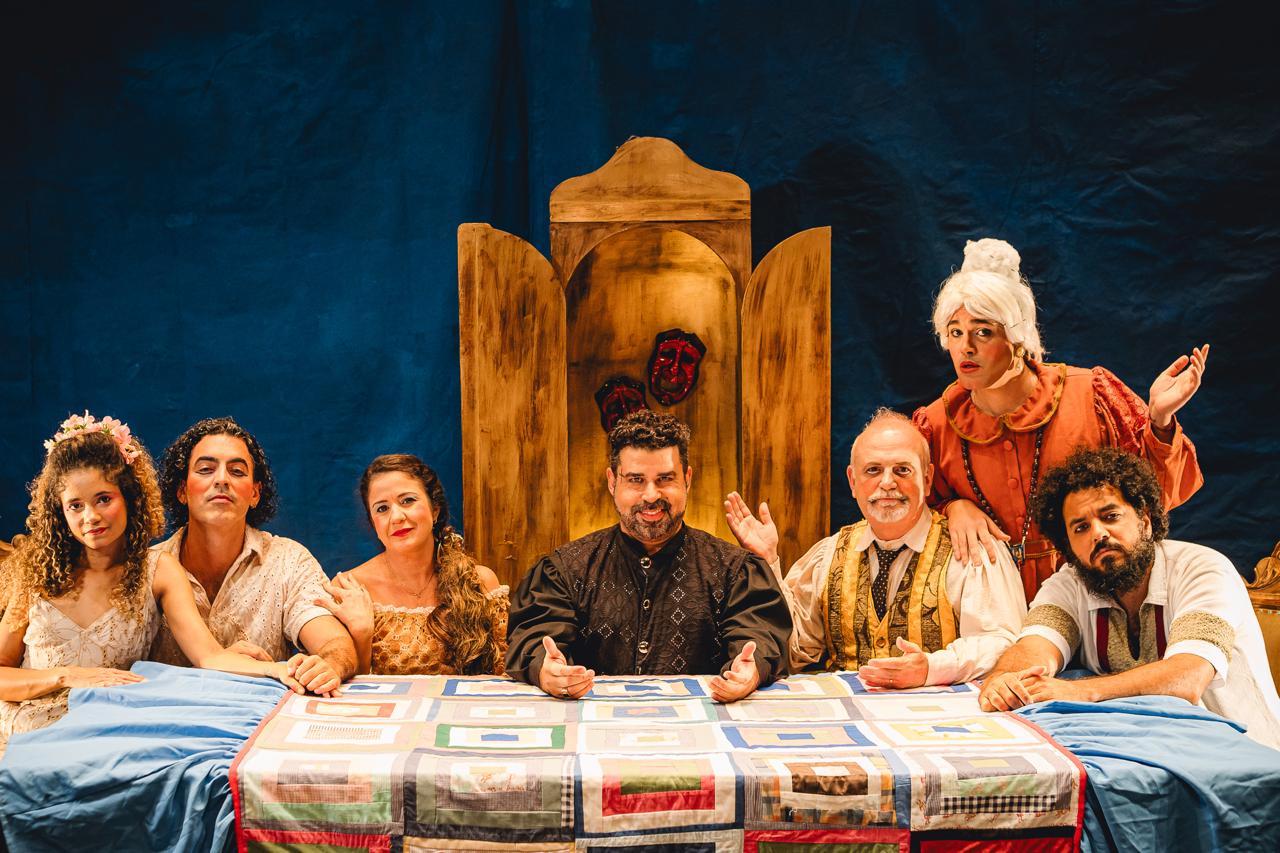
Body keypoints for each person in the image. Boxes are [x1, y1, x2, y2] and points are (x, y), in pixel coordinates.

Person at [912, 237, 1208, 602]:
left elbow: (1154, 498)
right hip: (987, 604)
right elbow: (906, 515)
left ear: (1017, 336)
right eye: (955, 332)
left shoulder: (1091, 396)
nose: (965, 347)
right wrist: (953, 508)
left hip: (1095, 593)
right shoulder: (936, 424)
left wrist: (1160, 419)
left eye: (983, 331)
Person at [0, 413, 303, 754]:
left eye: (104, 499)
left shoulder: (157, 570)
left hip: (103, 737)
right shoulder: (35, 573)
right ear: (60, 512)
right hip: (19, 735)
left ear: (130, 498)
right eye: (75, 506)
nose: (91, 517)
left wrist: (280, 669)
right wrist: (64, 676)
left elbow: (209, 657)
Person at [978, 447, 1280, 750]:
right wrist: (1006, 679)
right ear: (1067, 545)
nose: (1098, 534)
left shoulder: (1202, 570)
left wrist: (1079, 691)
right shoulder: (1069, 584)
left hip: (1242, 755)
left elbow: (1188, 678)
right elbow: (1034, 647)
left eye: (1111, 516)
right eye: (1081, 527)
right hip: (1142, 752)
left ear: (1145, 521)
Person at [726, 409, 1026, 687]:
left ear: (927, 478)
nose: (887, 483)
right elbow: (796, 647)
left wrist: (933, 668)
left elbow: (1002, 643)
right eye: (873, 470)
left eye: (902, 470)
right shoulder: (829, 554)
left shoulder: (971, 547)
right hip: (848, 717)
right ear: (852, 481)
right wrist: (768, 562)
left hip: (944, 721)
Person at [506, 411, 791, 702]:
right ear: (612, 482)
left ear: (687, 479)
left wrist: (749, 671)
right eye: (636, 480)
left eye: (665, 479)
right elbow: (536, 637)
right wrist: (547, 669)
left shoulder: (733, 570)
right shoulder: (566, 569)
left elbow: (759, 636)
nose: (651, 495)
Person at [149, 417, 355, 693]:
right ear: (182, 491)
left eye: (237, 471)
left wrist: (328, 666)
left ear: (255, 493)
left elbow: (335, 643)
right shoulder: (147, 568)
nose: (221, 480)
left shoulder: (288, 561)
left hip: (263, 716)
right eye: (206, 469)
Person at [315, 455, 507, 675]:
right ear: (374, 524)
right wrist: (362, 634)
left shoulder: (479, 582)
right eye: (382, 509)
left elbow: (501, 675)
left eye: (407, 501)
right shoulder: (349, 589)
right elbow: (345, 685)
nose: (396, 517)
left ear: (435, 510)